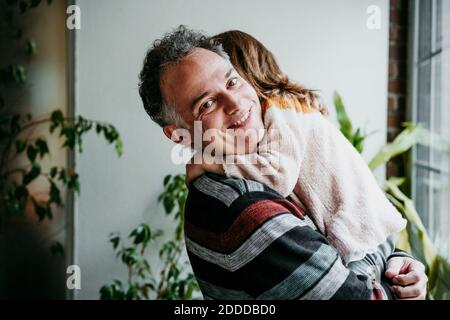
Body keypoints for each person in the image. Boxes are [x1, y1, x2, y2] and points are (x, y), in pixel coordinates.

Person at [138, 25, 427, 299]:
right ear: (179, 136)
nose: (236, 103)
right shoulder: (238, 207)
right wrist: (396, 281)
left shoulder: (260, 148)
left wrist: (400, 264)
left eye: (233, 81)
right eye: (207, 104)